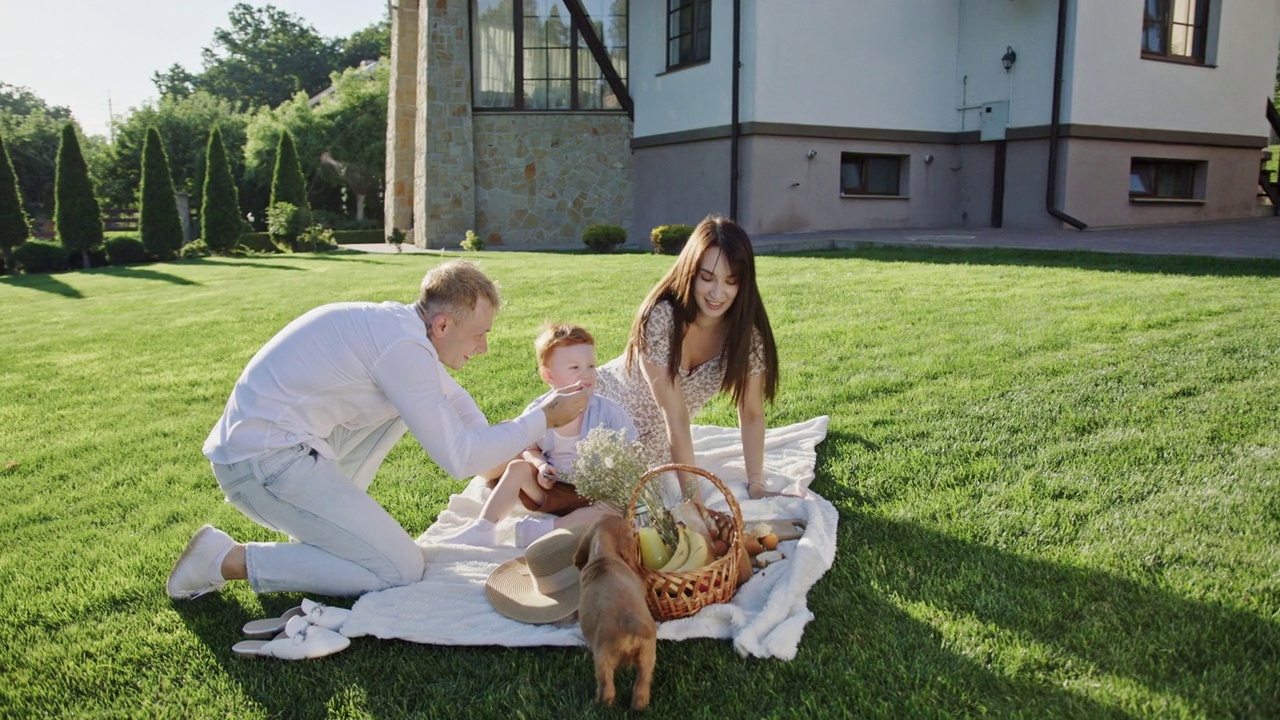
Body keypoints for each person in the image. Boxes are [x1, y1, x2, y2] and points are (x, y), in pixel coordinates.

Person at [167, 260, 589, 600]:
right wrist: (542, 419)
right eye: (479, 335)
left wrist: (497, 453)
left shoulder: (401, 331)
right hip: (262, 465)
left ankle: (333, 531)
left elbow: (456, 401)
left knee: (409, 415)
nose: (483, 348)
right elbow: (460, 459)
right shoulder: (403, 350)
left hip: (279, 456)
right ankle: (223, 560)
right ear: (442, 326)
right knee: (398, 570)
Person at [596, 214, 790, 503]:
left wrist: (756, 484)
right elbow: (674, 415)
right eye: (707, 277)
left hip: (653, 451)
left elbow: (751, 412)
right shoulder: (662, 317)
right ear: (690, 271)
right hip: (598, 406)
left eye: (730, 281)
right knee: (526, 459)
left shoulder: (747, 336)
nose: (717, 293)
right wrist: (694, 499)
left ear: (743, 283)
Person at [439, 323, 638, 547]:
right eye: (574, 368)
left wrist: (613, 478)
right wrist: (541, 465)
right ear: (549, 375)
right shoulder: (539, 410)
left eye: (591, 365)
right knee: (517, 468)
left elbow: (628, 451)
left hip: (591, 494)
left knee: (612, 509)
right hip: (552, 488)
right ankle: (483, 527)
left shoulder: (608, 411)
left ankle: (548, 529)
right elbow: (529, 448)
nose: (586, 373)